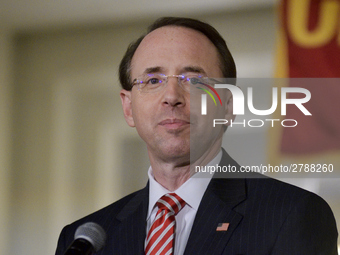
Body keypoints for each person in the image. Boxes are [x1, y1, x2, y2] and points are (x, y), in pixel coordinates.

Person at [55, 17, 338, 255]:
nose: (171, 97)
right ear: (128, 108)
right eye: (153, 80)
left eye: (194, 80)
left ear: (228, 106)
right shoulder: (83, 241)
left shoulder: (293, 215)